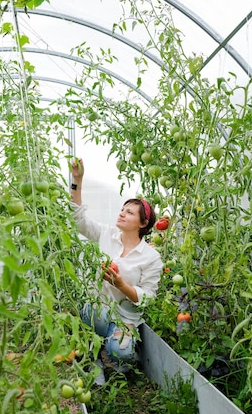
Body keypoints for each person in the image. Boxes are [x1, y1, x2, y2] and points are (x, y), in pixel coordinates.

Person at [69, 157, 163, 373]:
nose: (122, 213)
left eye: (129, 212)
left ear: (142, 224)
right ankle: (94, 355)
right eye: (122, 209)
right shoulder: (106, 234)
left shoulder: (150, 257)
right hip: (97, 309)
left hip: (125, 317)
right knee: (96, 311)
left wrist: (121, 284)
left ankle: (121, 359)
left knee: (121, 352)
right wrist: (77, 180)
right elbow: (78, 219)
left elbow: (148, 297)